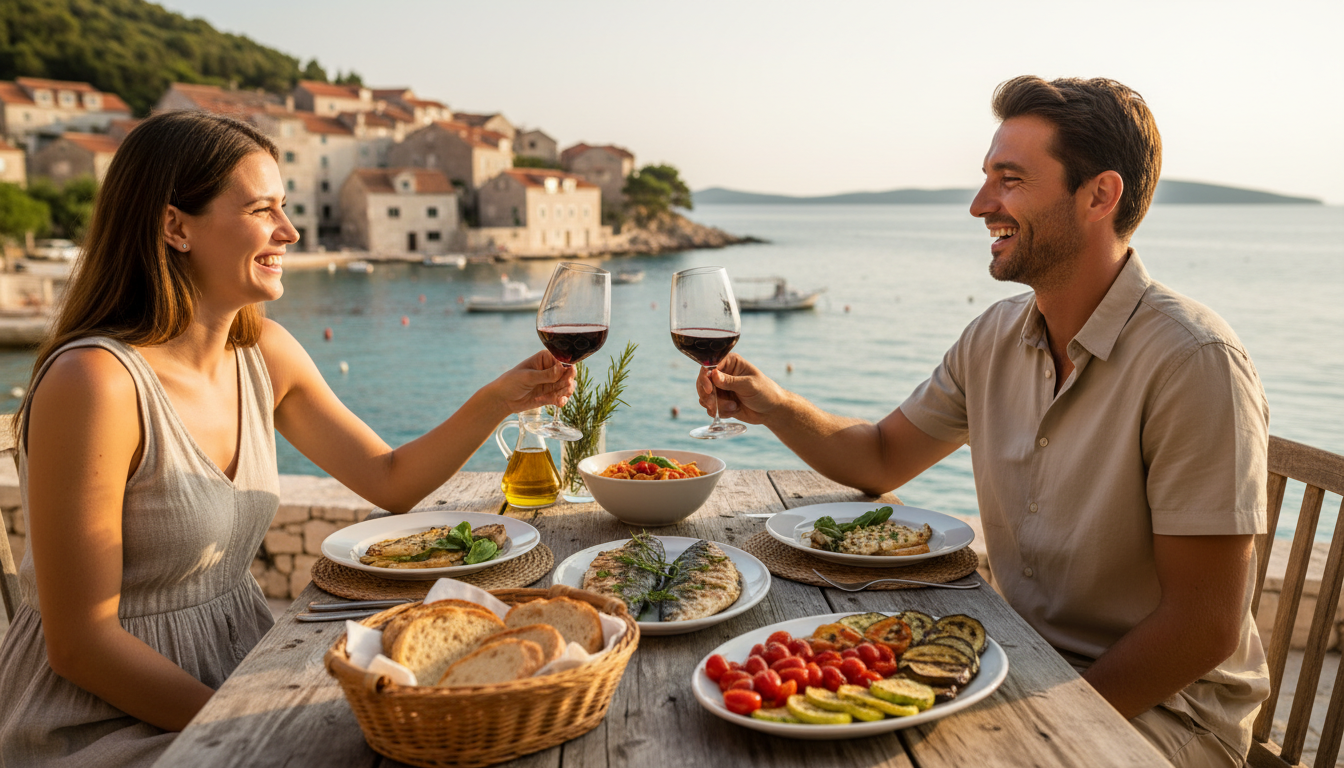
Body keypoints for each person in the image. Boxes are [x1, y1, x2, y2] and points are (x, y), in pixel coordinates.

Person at [697, 76, 1269, 768]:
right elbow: (880, 457)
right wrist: (777, 406)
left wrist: (1052, 725)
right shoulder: (994, 336)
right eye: (985, 179)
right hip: (1016, 660)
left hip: (1161, 714)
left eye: (1010, 180)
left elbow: (1201, 628)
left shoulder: (1194, 362)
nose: (979, 205)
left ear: (1099, 196)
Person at [0, 111, 574, 767]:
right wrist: (247, 727)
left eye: (285, 207)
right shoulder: (95, 384)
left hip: (242, 670)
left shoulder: (263, 351)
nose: (290, 231)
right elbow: (81, 645)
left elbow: (389, 480)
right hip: (104, 723)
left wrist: (498, 401)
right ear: (174, 225)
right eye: (262, 209)